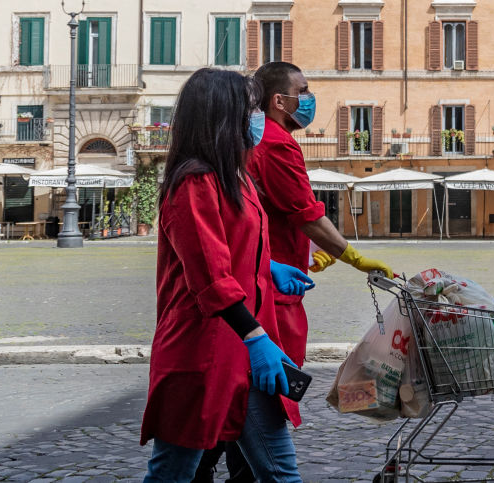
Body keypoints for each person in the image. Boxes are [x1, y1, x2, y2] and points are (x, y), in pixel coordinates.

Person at [141, 68, 314, 483]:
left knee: (280, 472)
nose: (257, 116)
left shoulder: (236, 179)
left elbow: (229, 245)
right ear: (224, 115)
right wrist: (257, 340)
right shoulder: (194, 183)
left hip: (247, 349)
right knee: (172, 473)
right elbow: (209, 276)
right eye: (251, 109)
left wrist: (267, 267)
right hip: (205, 350)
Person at [248, 61, 393, 367]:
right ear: (279, 101)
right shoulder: (277, 145)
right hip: (274, 286)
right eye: (302, 91)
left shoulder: (264, 140)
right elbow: (306, 214)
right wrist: (355, 258)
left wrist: (312, 249)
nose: (309, 97)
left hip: (272, 272)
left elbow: (278, 210)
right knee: (282, 372)